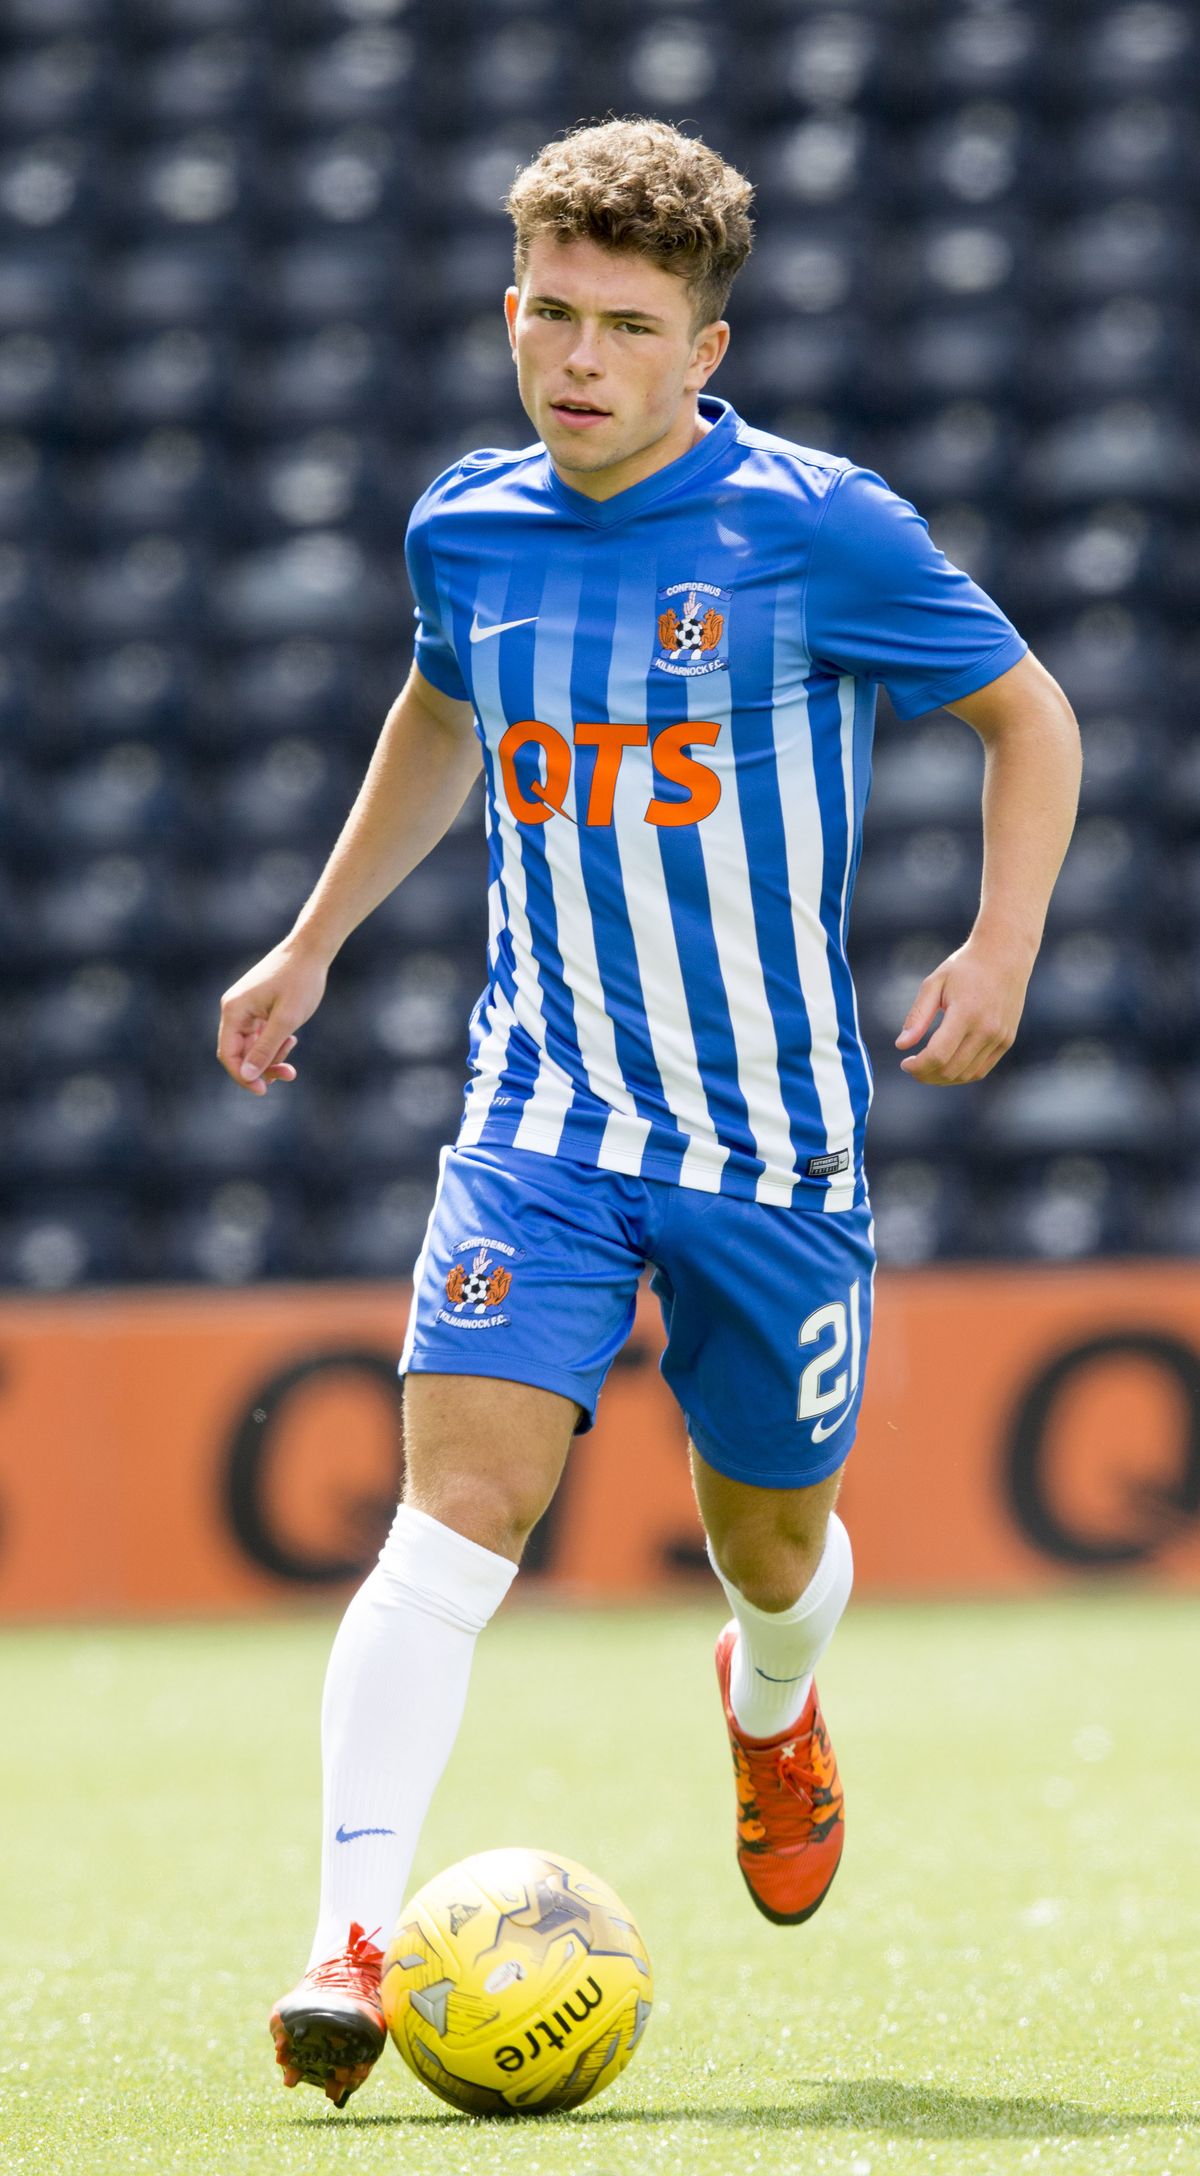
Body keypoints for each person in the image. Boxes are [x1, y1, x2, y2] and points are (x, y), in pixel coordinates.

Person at [216, 117, 1081, 2108]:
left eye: (624, 323)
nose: (576, 355)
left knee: (769, 1544)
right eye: (548, 311)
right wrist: (315, 936)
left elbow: (1031, 714)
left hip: (775, 1148)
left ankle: (771, 1699)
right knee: (456, 1511)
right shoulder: (470, 527)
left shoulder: (818, 525)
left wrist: (1002, 947)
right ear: (509, 310)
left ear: (706, 347)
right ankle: (347, 1935)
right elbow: (443, 706)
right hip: (545, 1116)